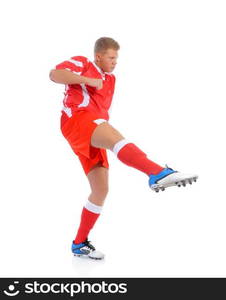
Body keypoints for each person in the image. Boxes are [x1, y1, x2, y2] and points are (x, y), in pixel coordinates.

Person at [50, 37, 198, 260]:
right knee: (115, 138)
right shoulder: (83, 63)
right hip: (77, 120)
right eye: (111, 57)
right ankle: (157, 173)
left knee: (100, 190)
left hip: (92, 129)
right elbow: (54, 74)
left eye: (117, 58)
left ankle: (79, 243)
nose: (115, 61)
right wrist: (87, 80)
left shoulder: (111, 79)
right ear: (98, 56)